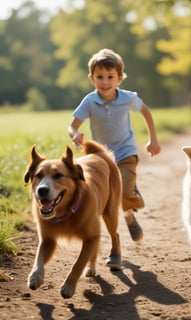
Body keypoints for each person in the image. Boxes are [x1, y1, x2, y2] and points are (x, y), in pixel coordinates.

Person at [68, 48, 161, 252]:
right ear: (92, 79)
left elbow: (145, 112)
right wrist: (75, 134)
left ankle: (130, 194)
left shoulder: (127, 98)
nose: (105, 82)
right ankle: (129, 216)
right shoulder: (90, 101)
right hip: (102, 158)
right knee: (111, 197)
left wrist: (153, 140)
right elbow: (72, 125)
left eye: (110, 77)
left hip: (126, 151)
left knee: (124, 191)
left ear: (119, 78)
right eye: (100, 77)